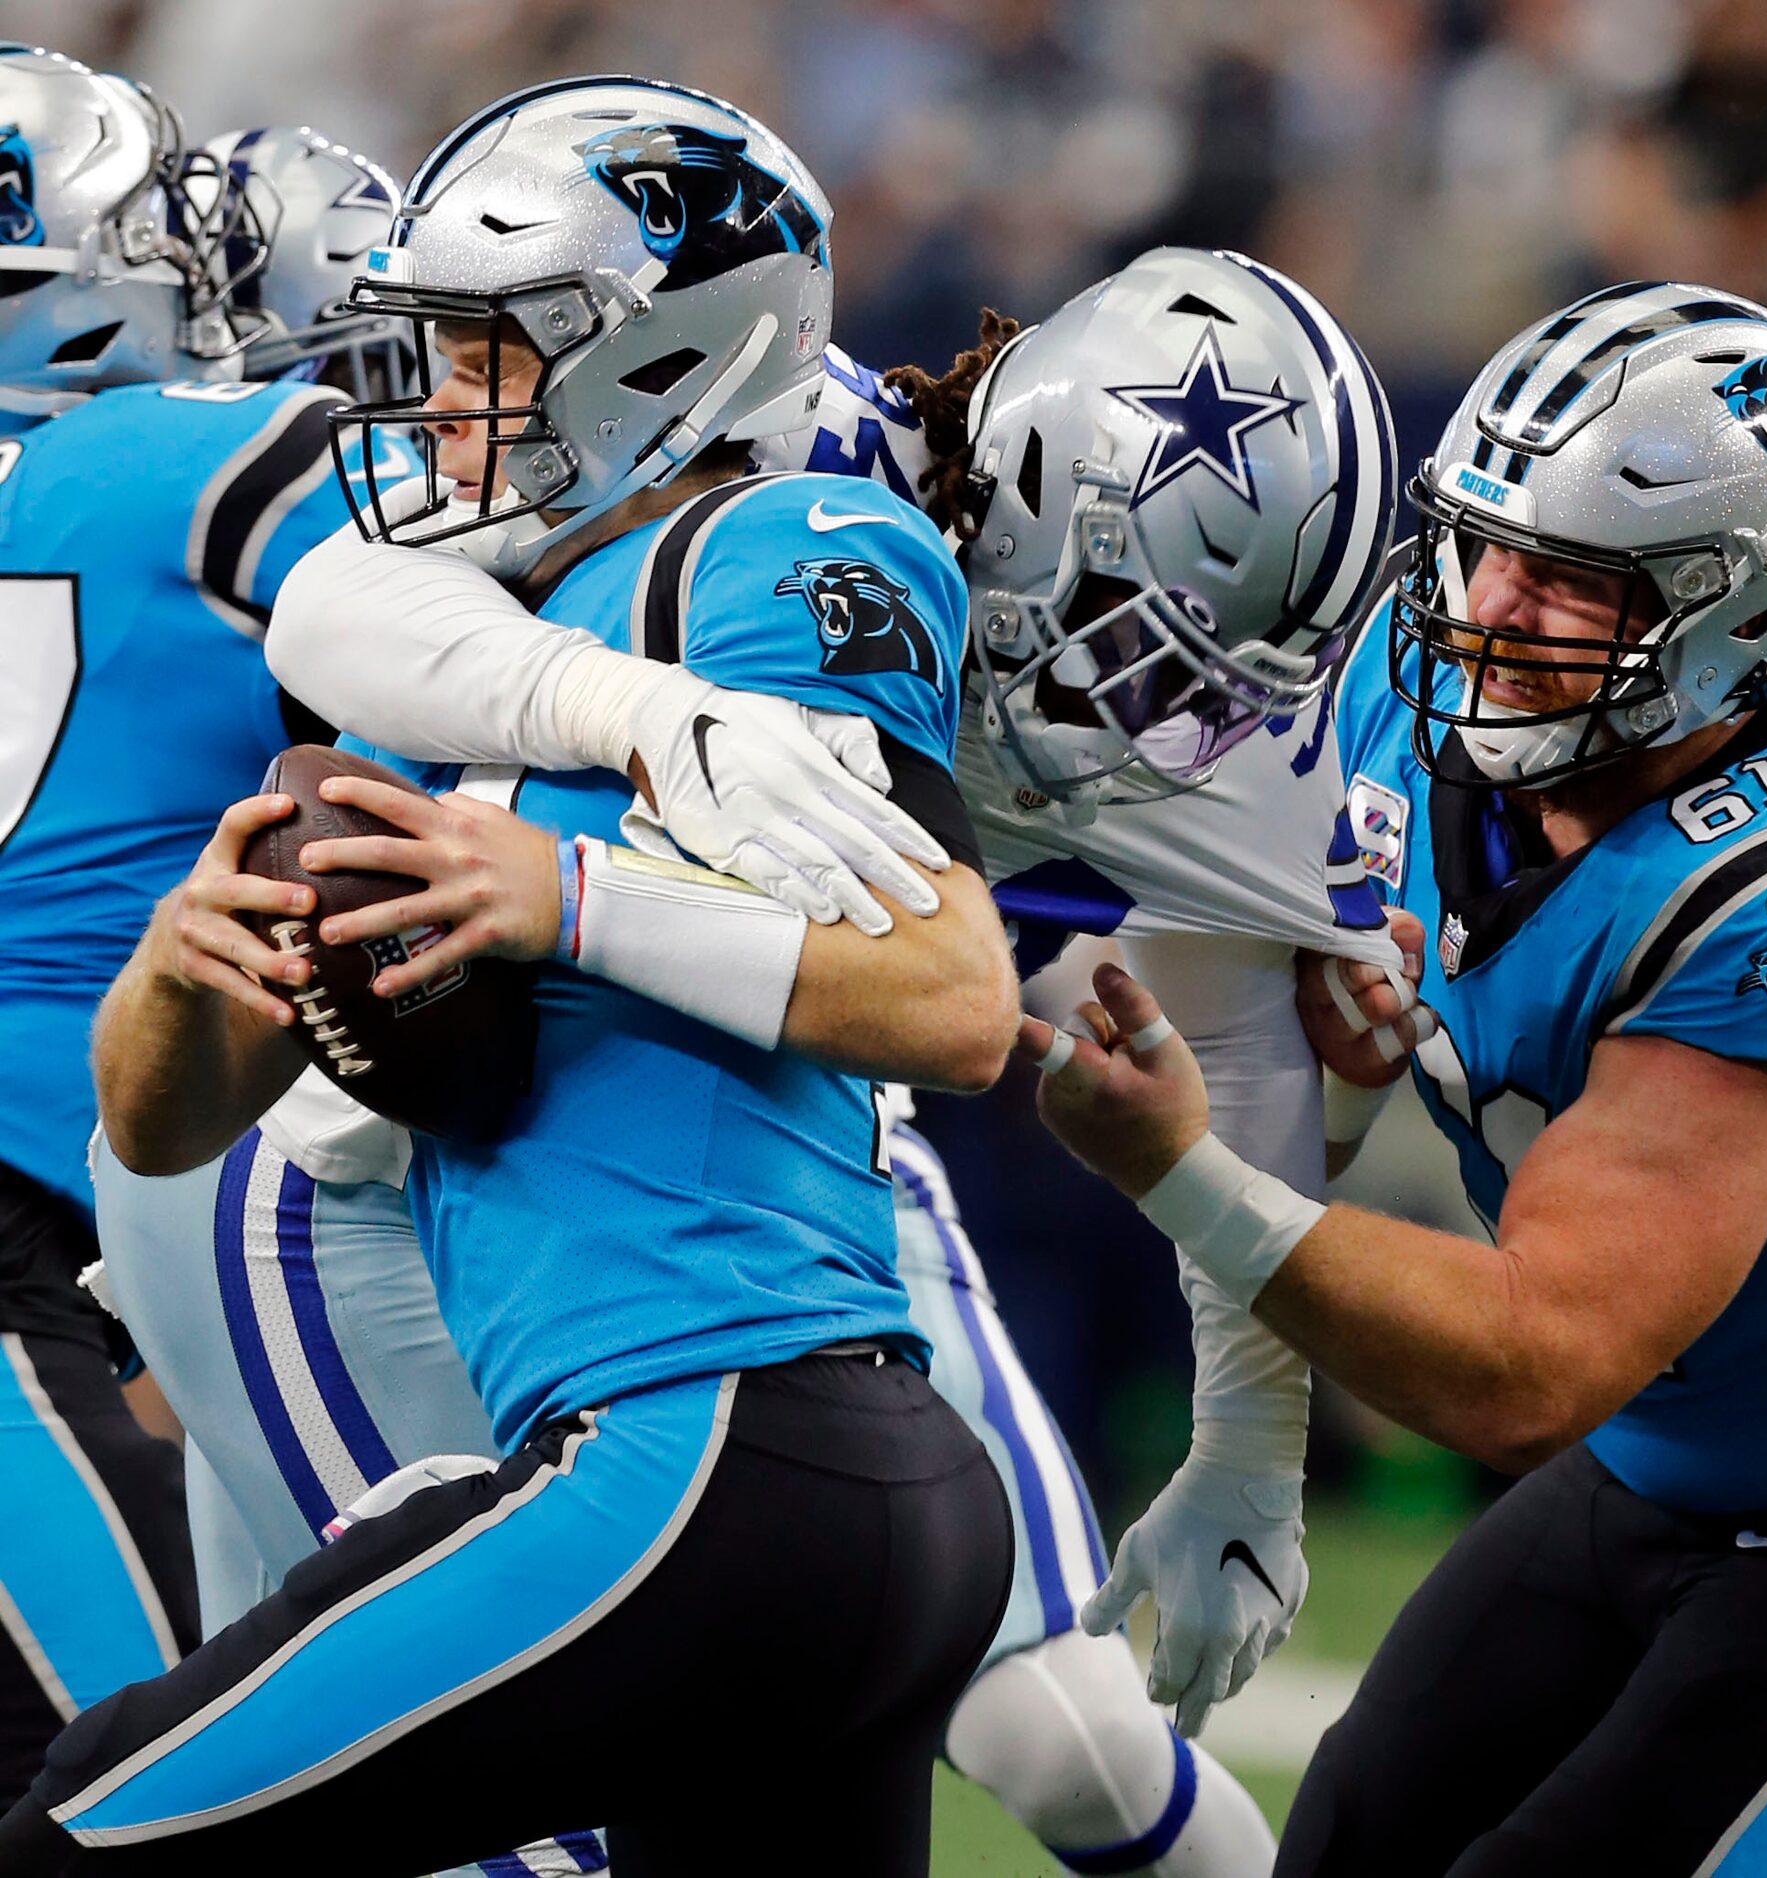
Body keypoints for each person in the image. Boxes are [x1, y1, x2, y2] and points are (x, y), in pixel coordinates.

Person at [259, 246, 1403, 1871]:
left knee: (1062, 1736)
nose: (1140, 714)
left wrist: (1244, 1448)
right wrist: (632, 709)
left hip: (810, 1135)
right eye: (1117, 629)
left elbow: (1241, 1056)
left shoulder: (1239, 742)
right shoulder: (784, 446)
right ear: (1016, 485)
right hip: (454, 1123)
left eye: (1196, 668)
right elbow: (334, 596)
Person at [0, 76, 1016, 1876]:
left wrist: (567, 896)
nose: (444, 406)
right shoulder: (487, 637)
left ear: (666, 352)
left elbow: (953, 997)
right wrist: (182, 954)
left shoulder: (766, 548)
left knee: (73, 1836)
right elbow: (158, 1131)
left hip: (715, 1443)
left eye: (491, 353)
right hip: (779, 1483)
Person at [1016, 281, 1767, 1877]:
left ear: (1735, 607)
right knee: (1348, 1844)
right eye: (1480, 541)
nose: (1488, 606)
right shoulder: (1416, 675)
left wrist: (1184, 1170)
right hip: (1662, 1453)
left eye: (1569, 579)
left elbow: (1530, 1363)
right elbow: (1235, 960)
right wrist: (1243, 1437)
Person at [83, 122, 610, 1878]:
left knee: (300, 1779)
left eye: (469, 355)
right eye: (405, 361)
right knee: (474, 1760)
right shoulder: (345, 552)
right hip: (289, 1171)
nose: (417, 416)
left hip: (329, 1164)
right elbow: (346, 615)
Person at [0, 43, 399, 1810]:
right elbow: (517, 607)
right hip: (35, 1230)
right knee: (174, 1801)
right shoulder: (186, 457)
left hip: (102, 1253)